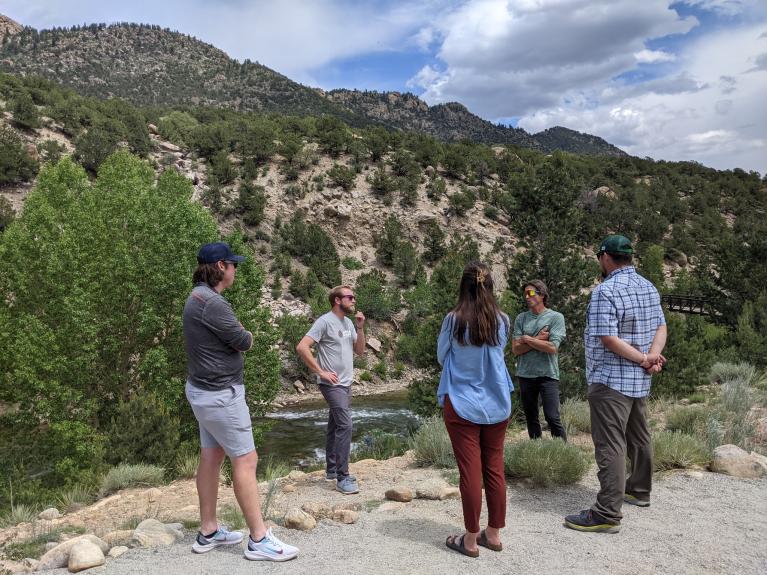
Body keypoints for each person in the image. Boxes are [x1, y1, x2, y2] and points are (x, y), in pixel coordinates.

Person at [183, 242, 298, 561]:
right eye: (233, 264)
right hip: (221, 395)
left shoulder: (195, 297)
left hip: (200, 391)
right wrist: (246, 334)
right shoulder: (215, 304)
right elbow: (244, 340)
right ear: (221, 266)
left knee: (211, 455)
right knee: (246, 461)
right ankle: (259, 539)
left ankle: (208, 531)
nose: (236, 269)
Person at [565, 235, 666, 534]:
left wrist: (643, 359)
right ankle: (639, 490)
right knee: (639, 434)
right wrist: (652, 357)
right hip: (640, 378)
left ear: (606, 258)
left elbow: (608, 339)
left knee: (610, 444)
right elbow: (661, 325)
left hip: (611, 379)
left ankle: (607, 512)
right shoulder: (648, 286)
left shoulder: (605, 291)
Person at [437, 262, 514, 558]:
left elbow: (443, 356)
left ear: (463, 287)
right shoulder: (503, 319)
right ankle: (492, 534)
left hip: (461, 402)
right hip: (498, 403)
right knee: (494, 468)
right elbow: (499, 354)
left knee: (470, 472)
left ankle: (469, 539)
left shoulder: (453, 320)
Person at [296, 285, 366, 495]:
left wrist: (360, 328)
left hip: (346, 382)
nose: (353, 300)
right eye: (350, 297)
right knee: (345, 424)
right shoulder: (324, 321)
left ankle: (332, 469)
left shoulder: (348, 323)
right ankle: (343, 478)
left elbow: (360, 351)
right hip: (331, 384)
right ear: (337, 300)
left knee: (335, 424)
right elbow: (302, 347)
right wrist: (321, 371)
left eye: (354, 297)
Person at [511, 280, 567, 440]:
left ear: (542, 295)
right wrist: (537, 339)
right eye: (525, 293)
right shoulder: (521, 319)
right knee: (531, 418)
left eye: (530, 293)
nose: (526, 296)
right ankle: (537, 453)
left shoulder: (556, 317)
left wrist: (527, 339)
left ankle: (563, 453)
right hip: (525, 374)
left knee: (552, 417)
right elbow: (516, 349)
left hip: (548, 375)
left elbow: (552, 347)